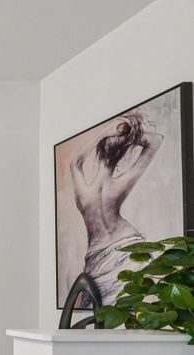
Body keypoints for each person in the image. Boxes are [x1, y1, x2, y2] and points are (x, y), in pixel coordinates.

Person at [70, 112, 163, 305]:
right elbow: (155, 141)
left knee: (104, 314)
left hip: (105, 255)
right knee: (133, 311)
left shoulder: (84, 195)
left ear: (98, 151)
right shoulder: (119, 185)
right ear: (121, 155)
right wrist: (127, 134)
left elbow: (75, 162)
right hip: (127, 246)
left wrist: (104, 133)